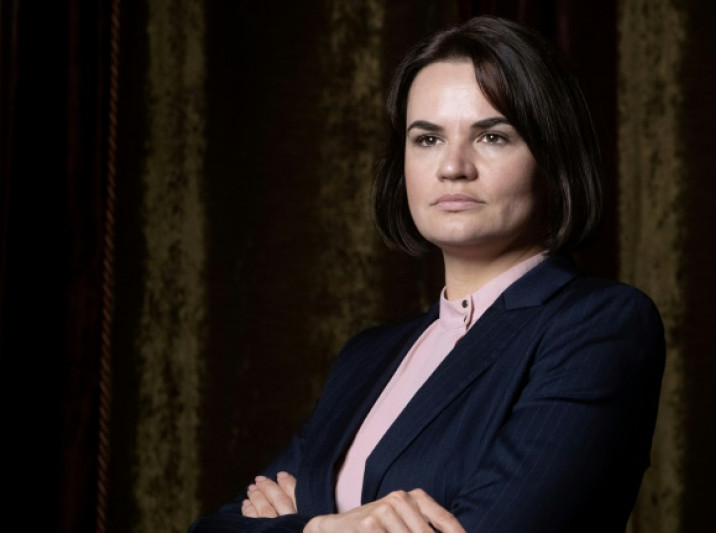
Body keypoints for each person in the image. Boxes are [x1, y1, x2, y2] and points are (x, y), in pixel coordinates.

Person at [188, 14, 665, 533]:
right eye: (428, 139)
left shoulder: (600, 325)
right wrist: (322, 528)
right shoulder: (368, 356)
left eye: (492, 136)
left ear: (552, 157)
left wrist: (303, 517)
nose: (452, 167)